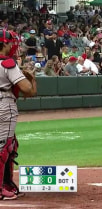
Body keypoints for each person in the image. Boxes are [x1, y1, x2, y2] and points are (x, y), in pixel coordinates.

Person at [0, 29, 37, 199]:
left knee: (11, 145)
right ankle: (1, 188)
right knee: (4, 147)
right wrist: (31, 77)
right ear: (5, 44)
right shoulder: (7, 63)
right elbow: (27, 90)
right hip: (4, 104)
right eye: (10, 42)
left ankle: (6, 183)